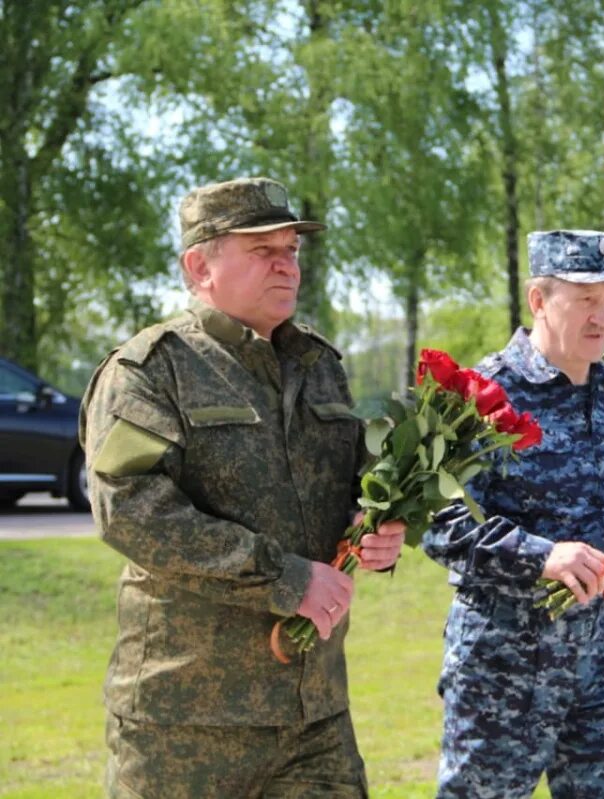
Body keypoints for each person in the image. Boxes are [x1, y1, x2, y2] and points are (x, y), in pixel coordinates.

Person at [81, 177, 407, 798]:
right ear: (199, 265)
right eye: (263, 251)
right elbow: (131, 512)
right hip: (186, 721)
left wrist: (380, 531)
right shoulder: (151, 371)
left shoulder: (320, 367)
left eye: (292, 250)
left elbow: (354, 488)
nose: (286, 265)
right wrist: (286, 579)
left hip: (314, 716)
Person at [423, 229, 604, 799]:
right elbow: (437, 521)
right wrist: (541, 556)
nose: (602, 316)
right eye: (585, 299)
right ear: (539, 300)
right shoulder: (485, 394)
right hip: (506, 671)